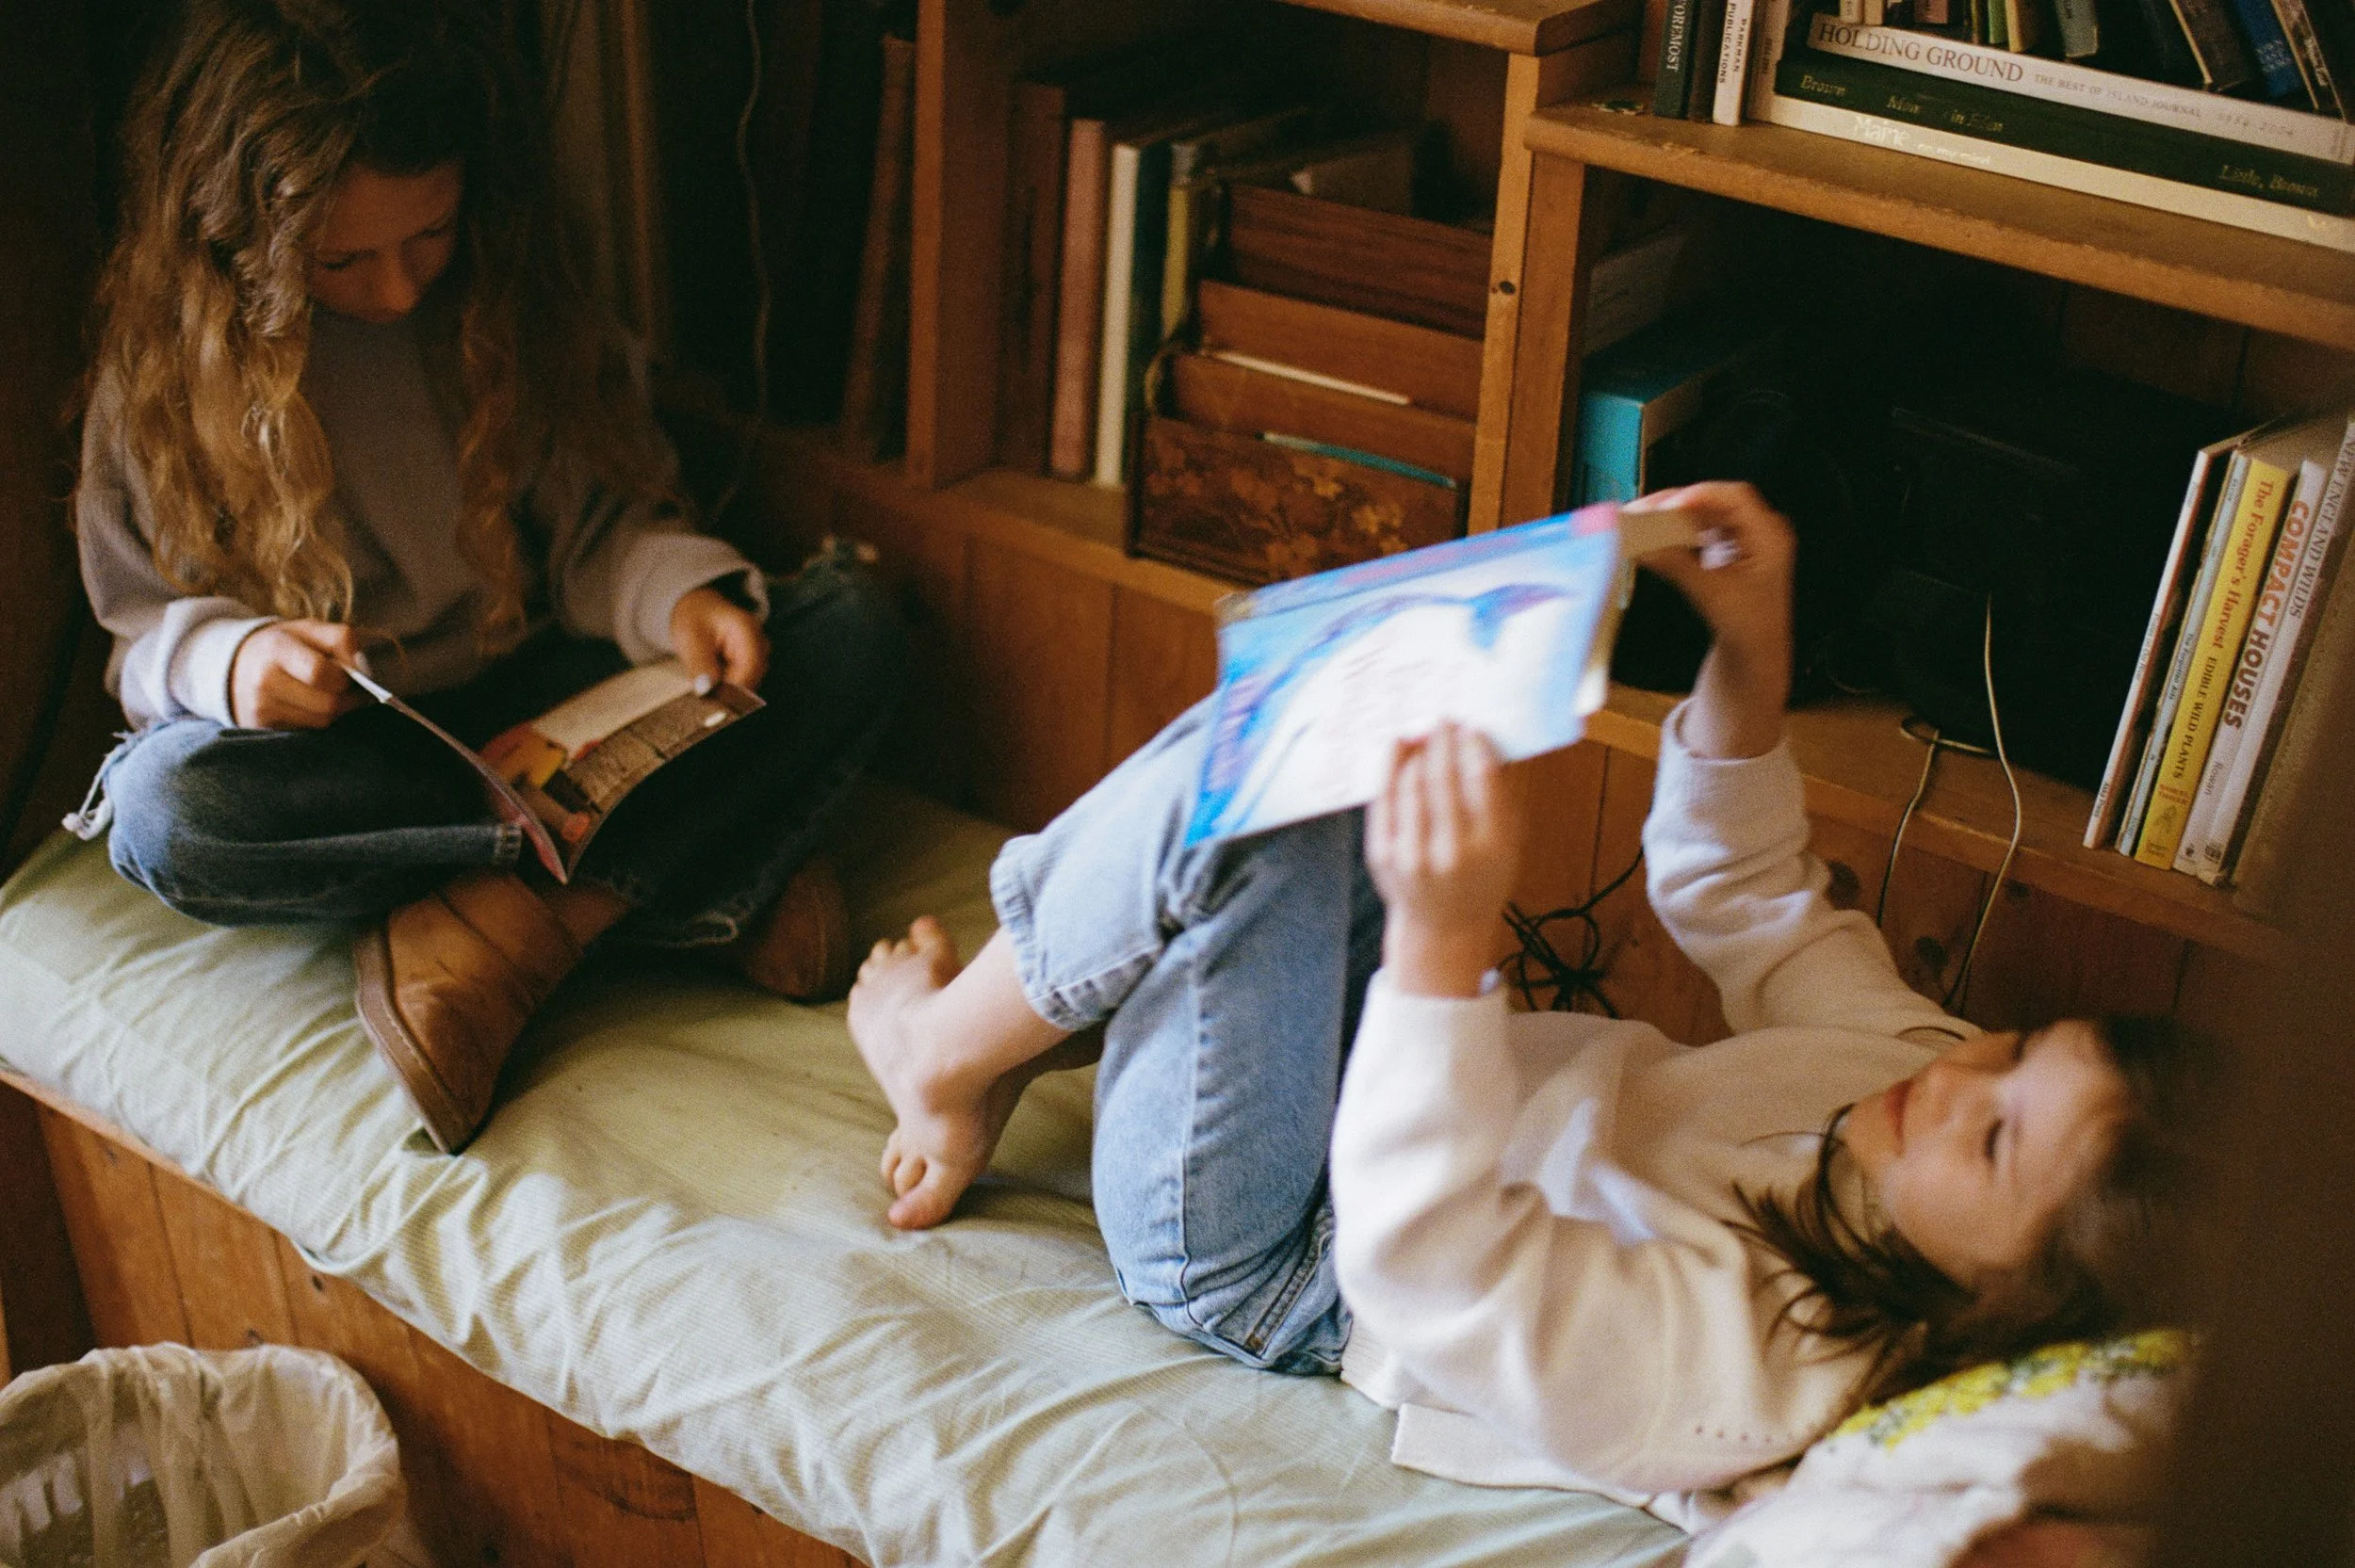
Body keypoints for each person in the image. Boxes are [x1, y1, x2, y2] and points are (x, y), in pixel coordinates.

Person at [848, 481, 2210, 1505]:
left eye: (1995, 1133)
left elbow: (1426, 1252)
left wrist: (1445, 946)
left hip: (1288, 1252)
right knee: (1331, 714)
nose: (1962, 1073)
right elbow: (1748, 893)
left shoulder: (1752, 1367)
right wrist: (1751, 655)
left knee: (1266, 803)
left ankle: (944, 1057)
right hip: (1388, 1085)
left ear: (1996, 1312)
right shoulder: (1911, 1067)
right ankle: (1029, 1020)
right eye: (2019, 1046)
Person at [73, 0, 904, 1153]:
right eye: (341, 260)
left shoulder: (509, 307)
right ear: (238, 240)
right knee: (168, 816)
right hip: (362, 756)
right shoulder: (170, 375)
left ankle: (521, 926)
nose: (399, 289)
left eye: (431, 235)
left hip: (546, 703)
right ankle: (679, 886)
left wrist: (675, 597)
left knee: (848, 622)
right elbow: (140, 635)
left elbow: (598, 537)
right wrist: (234, 660)